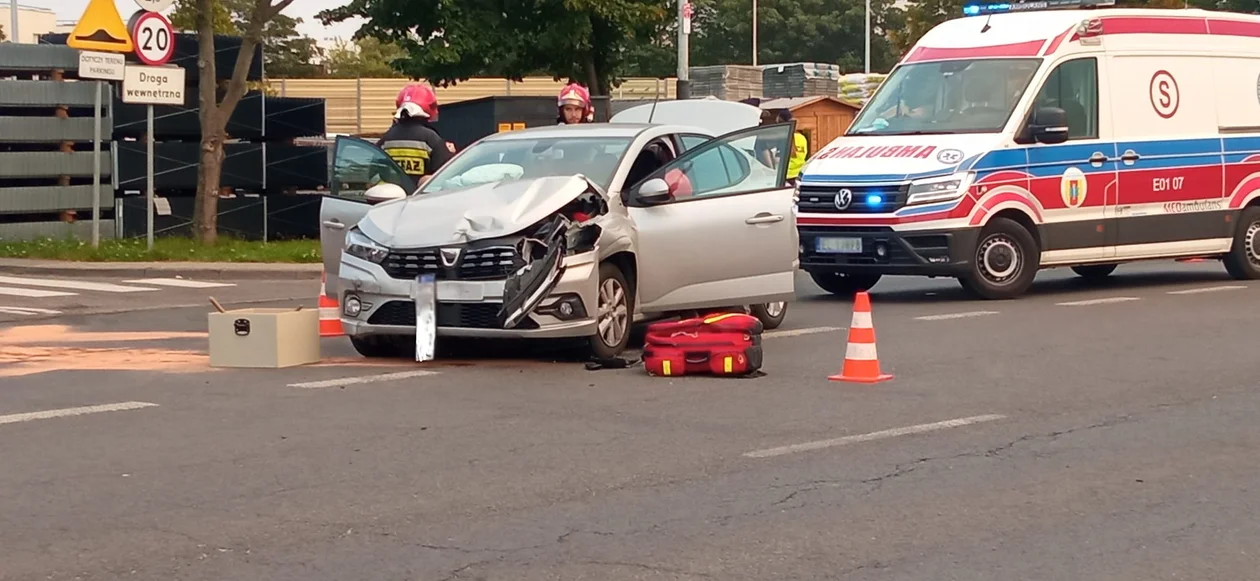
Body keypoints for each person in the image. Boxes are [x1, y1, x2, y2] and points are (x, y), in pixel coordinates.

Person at [378, 83, 454, 186]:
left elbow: (374, 174)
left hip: (391, 199)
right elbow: (445, 176)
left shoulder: (386, 139)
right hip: (420, 199)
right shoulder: (431, 139)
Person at [777, 109, 809, 187]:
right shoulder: (802, 138)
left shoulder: (781, 139)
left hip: (785, 176)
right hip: (799, 175)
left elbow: (775, 160)